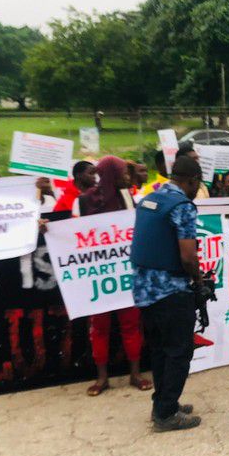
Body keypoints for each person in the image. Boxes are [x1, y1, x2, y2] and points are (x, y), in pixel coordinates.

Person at [131, 155, 204, 432]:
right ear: (192, 180)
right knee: (179, 351)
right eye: (197, 184)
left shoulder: (151, 199)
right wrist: (197, 279)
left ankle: (162, 403)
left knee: (160, 350)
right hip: (170, 290)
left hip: (143, 289)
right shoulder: (183, 206)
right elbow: (188, 256)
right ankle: (166, 413)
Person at [78, 156, 150, 397]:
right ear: (111, 175)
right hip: (99, 276)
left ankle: (135, 373)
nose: (128, 178)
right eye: (123, 174)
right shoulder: (83, 201)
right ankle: (102, 377)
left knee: (131, 324)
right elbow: (72, 233)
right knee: (99, 327)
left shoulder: (128, 197)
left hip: (125, 273)